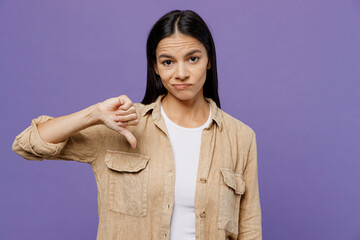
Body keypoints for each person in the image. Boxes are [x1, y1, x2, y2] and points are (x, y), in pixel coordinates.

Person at [12, 10, 262, 240]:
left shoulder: (240, 137)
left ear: (209, 60)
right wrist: (94, 114)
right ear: (155, 66)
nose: (181, 73)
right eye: (168, 62)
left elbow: (249, 230)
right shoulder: (123, 123)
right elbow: (27, 144)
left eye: (193, 58)